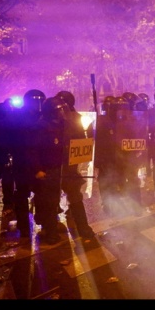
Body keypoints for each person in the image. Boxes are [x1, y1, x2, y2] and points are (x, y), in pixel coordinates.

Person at [55, 91, 95, 239]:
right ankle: (82, 228)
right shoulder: (76, 119)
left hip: (65, 165)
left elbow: (84, 141)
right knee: (71, 197)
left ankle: (82, 227)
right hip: (65, 165)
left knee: (72, 197)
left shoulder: (75, 119)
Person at [31, 96, 70, 244]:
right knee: (48, 201)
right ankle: (51, 233)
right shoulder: (40, 127)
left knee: (53, 200)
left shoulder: (61, 125)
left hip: (57, 169)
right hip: (46, 170)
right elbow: (32, 151)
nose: (61, 113)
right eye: (58, 110)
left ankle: (49, 226)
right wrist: (38, 169)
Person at [10, 89, 46, 238]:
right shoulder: (18, 118)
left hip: (36, 162)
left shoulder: (43, 117)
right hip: (23, 163)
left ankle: (40, 222)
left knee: (40, 194)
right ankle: (25, 227)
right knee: (23, 195)